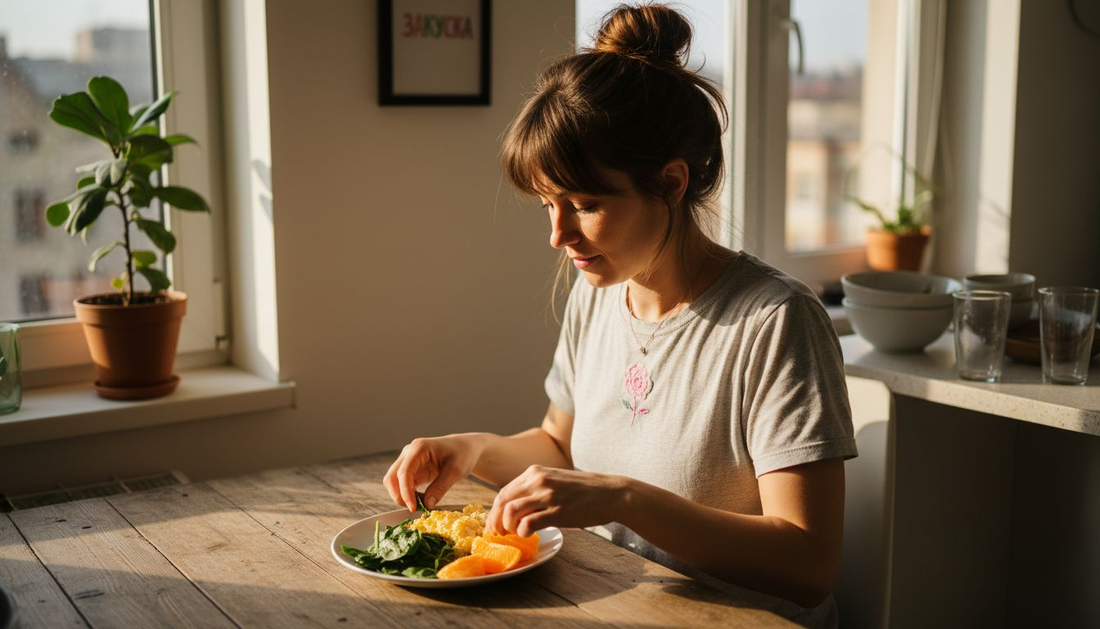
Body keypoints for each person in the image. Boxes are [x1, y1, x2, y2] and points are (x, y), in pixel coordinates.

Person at [384, 4, 857, 626]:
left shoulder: (776, 322)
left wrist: (624, 498)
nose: (559, 235)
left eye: (584, 203)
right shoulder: (599, 292)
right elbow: (558, 445)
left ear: (671, 183)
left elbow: (808, 567)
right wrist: (471, 450)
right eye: (549, 203)